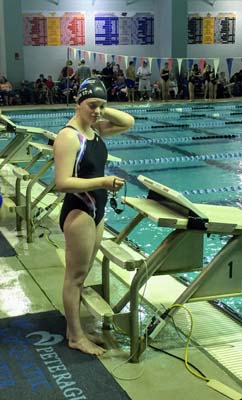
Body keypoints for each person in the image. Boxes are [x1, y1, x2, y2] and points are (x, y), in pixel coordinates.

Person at [53, 78, 134, 356]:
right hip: (79, 211)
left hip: (96, 212)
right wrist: (102, 182)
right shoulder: (69, 136)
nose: (97, 111)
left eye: (101, 106)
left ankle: (73, 329)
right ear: (78, 104)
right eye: (91, 106)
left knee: (83, 273)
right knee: (74, 277)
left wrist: (101, 106)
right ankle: (75, 337)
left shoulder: (94, 130)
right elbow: (62, 182)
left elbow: (128, 122)